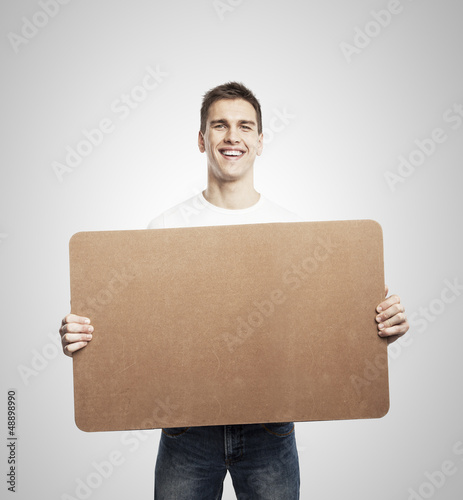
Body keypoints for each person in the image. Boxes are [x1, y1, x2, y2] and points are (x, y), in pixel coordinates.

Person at [59, 82, 410, 499]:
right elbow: (140, 334)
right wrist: (86, 339)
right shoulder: (163, 230)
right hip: (186, 431)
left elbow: (315, 329)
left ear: (260, 142)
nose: (232, 136)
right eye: (219, 125)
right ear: (201, 138)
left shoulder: (295, 231)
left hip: (270, 429)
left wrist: (377, 324)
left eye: (245, 126)